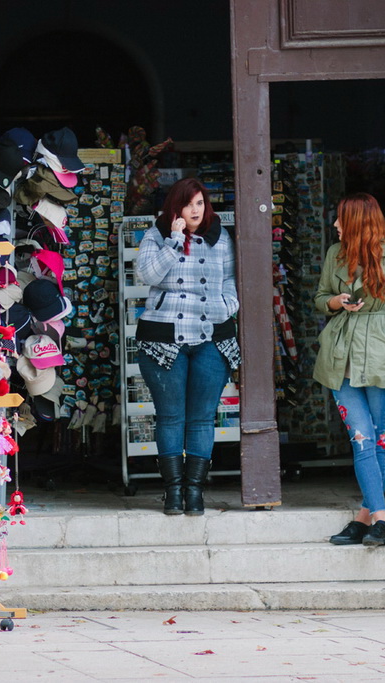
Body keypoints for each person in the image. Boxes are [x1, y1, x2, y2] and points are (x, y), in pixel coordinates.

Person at [313, 193, 385, 546]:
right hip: (340, 357)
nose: (335, 225)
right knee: (361, 438)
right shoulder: (335, 255)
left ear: (357, 222)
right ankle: (381, 521)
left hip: (379, 357)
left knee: (380, 437)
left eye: (341, 219)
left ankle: (363, 519)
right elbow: (319, 297)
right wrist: (336, 301)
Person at [135, 177, 240, 516]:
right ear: (175, 208)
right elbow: (147, 275)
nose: (195, 210)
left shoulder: (220, 236)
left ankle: (194, 493)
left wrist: (226, 306)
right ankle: (173, 493)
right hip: (164, 337)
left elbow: (229, 280)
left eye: (200, 203)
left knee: (201, 419)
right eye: (188, 204)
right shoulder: (156, 234)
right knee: (170, 416)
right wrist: (174, 240)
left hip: (211, 335)